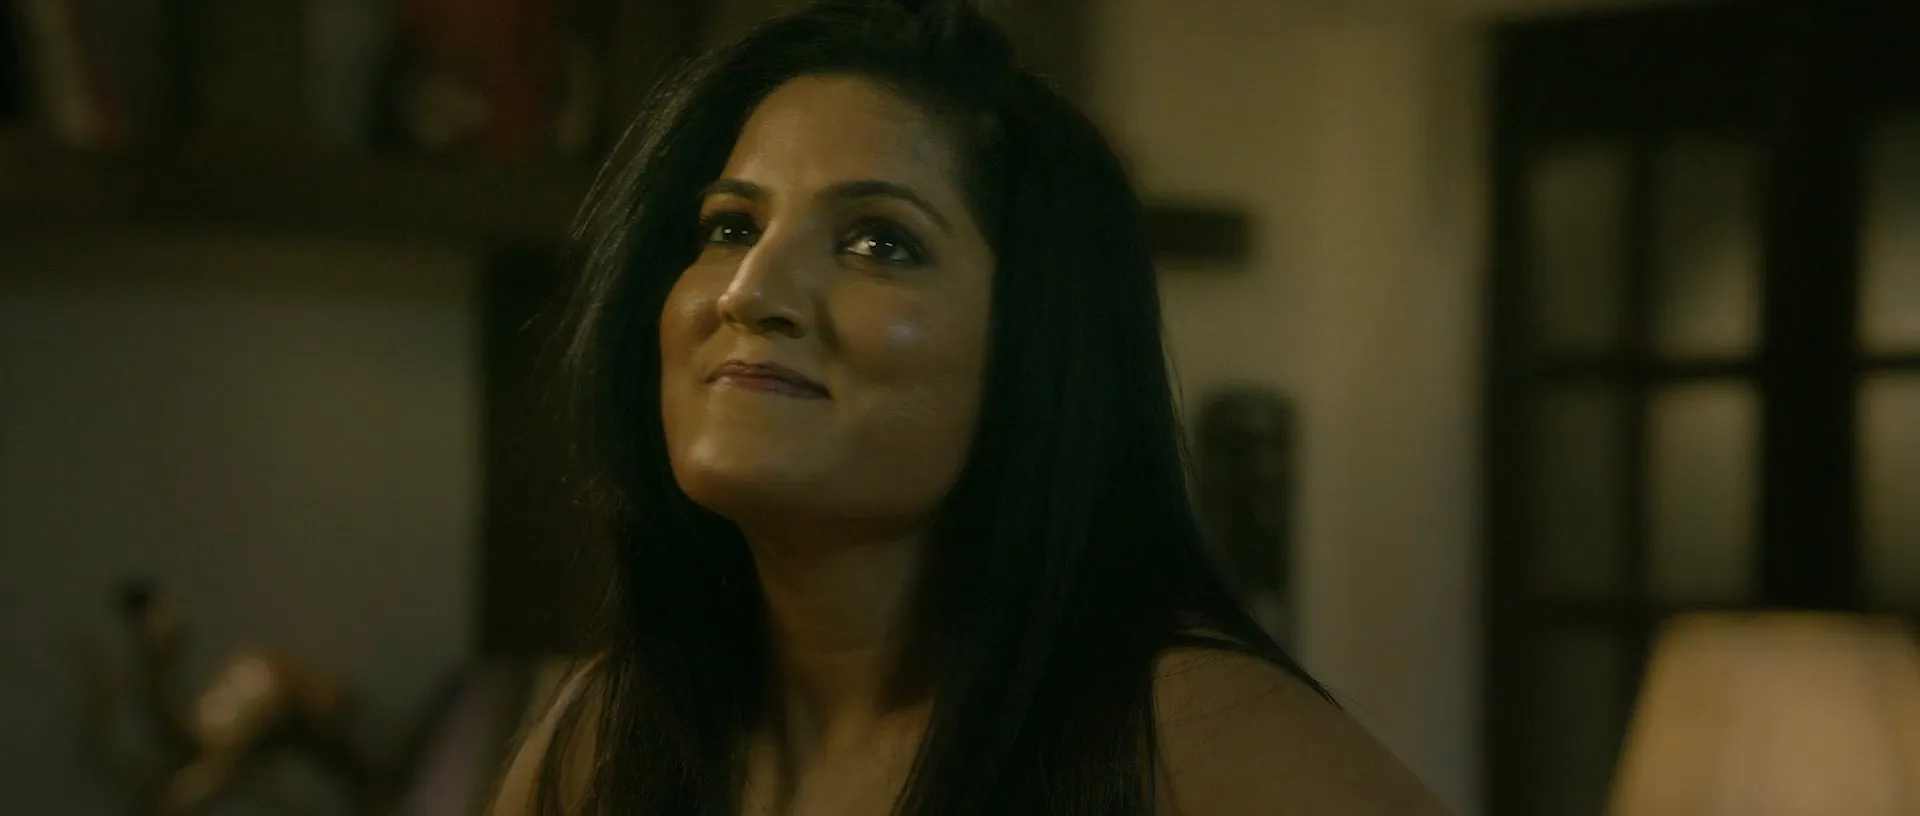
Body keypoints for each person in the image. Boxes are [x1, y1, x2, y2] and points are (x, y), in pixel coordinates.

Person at [489, 1, 1450, 813]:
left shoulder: (1184, 732)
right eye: (732, 226)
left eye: (879, 242)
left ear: (1035, 345)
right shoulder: (607, 738)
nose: (750, 291)